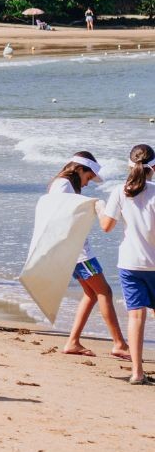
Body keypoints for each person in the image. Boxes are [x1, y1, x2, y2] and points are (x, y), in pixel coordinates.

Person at [49, 153, 130, 359]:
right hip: (78, 252)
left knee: (92, 294)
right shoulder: (63, 184)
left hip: (74, 249)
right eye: (88, 178)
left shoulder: (64, 184)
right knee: (105, 292)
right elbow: (58, 216)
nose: (87, 184)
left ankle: (73, 342)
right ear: (79, 169)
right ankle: (119, 343)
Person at [97, 144, 155, 384]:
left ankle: (137, 372)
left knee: (135, 316)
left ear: (129, 165)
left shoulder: (120, 191)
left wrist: (100, 208)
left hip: (130, 262)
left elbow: (106, 227)